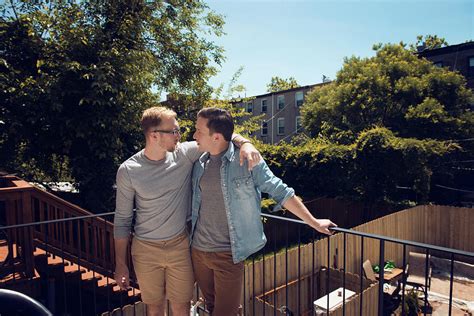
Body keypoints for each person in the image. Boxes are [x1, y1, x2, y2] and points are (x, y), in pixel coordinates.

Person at [113, 106, 260, 316]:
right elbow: (122, 220)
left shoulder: (183, 153)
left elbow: (218, 135)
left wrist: (245, 143)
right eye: (173, 131)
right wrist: (120, 264)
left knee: (182, 307)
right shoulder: (128, 170)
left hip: (180, 246)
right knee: (154, 309)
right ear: (154, 135)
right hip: (145, 250)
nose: (179, 136)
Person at [190, 107, 337, 316]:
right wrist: (245, 140)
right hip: (198, 251)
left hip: (228, 254)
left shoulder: (247, 161)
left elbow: (281, 192)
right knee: (212, 307)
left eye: (198, 131)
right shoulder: (199, 162)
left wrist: (314, 222)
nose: (194, 135)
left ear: (216, 137)